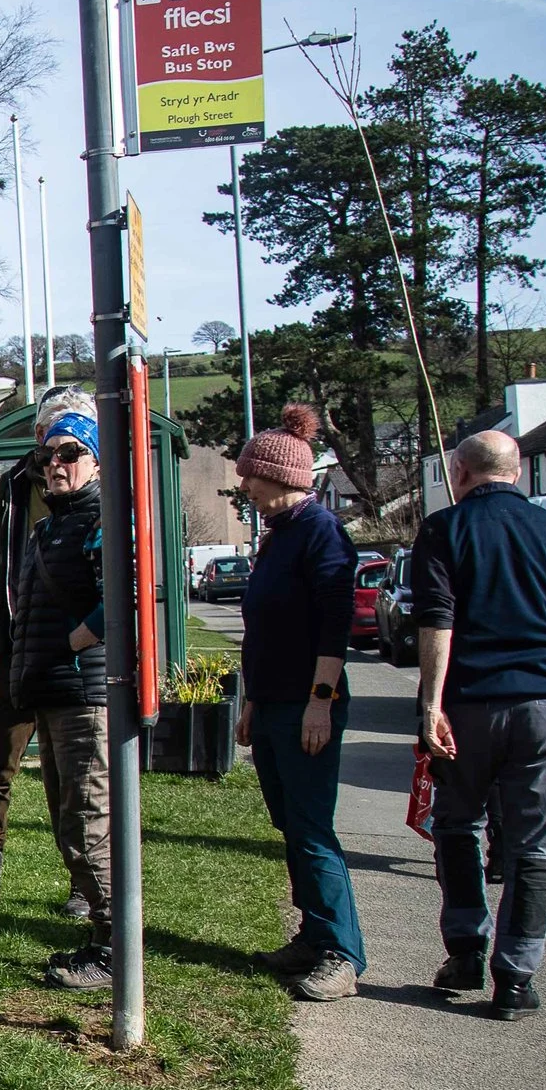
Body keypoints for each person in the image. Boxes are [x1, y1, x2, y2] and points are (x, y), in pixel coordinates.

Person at [413, 428, 546, 1019]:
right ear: (516, 472)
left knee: (458, 824)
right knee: (534, 845)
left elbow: (437, 619)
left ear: (459, 472)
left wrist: (430, 705)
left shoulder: (443, 529)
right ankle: (515, 977)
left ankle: (465, 950)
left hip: (469, 704)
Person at [234, 404, 365, 1001]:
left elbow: (333, 626)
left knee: (313, 830)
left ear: (281, 477)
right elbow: (265, 629)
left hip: (308, 706)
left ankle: (341, 953)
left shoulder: (321, 532)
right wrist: (253, 703)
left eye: (250, 477)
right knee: (291, 827)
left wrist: (320, 701)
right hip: (274, 705)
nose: (245, 487)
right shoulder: (277, 537)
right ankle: (313, 935)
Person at [0, 387, 89, 913]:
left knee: (71, 777)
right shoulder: (11, 486)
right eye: (52, 437)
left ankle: (84, 883)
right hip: (16, 651)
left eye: (72, 442)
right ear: (37, 436)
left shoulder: (100, 491)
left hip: (73, 659)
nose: (59, 454)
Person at [2, 399, 114, 988]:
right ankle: (103, 934)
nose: (56, 465)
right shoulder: (52, 524)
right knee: (70, 822)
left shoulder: (102, 520)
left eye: (71, 454)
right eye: (49, 455)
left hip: (83, 694)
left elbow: (124, 596)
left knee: (90, 821)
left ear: (96, 461)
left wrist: (76, 639)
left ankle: (116, 947)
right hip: (50, 692)